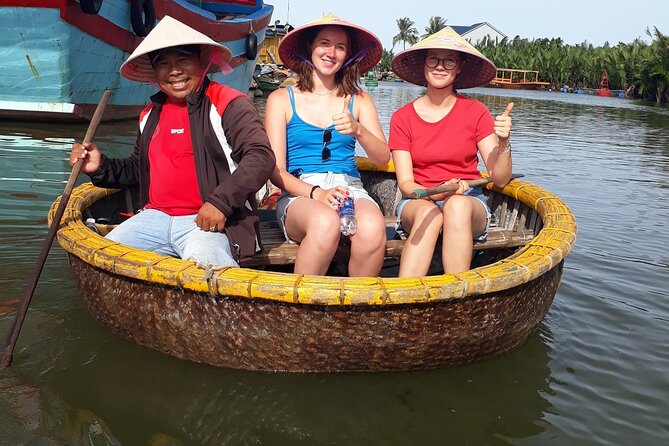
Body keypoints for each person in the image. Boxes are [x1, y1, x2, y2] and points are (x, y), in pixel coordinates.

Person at [69, 16, 275, 267]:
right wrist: (100, 167)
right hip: (153, 218)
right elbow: (138, 169)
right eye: (164, 64)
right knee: (100, 259)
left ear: (201, 61)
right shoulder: (149, 114)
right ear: (155, 73)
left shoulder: (228, 103)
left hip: (210, 220)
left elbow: (260, 157)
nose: (175, 71)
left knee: (205, 266)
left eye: (183, 60)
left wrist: (219, 202)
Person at [264, 13, 390, 276]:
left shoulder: (360, 100)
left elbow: (382, 158)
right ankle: (302, 312)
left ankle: (356, 310)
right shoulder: (280, 100)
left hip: (349, 189)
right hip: (301, 193)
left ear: (348, 56)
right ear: (310, 48)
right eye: (324, 43)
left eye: (340, 47)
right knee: (325, 222)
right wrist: (317, 193)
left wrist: (358, 130)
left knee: (373, 227)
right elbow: (276, 172)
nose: (331, 52)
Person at [389, 27, 514, 276]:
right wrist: (437, 194)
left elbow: (499, 179)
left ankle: (455, 293)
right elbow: (406, 183)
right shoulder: (401, 118)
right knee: (430, 214)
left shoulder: (476, 112)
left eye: (449, 61)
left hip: (468, 202)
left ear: (459, 68)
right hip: (418, 200)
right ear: (424, 65)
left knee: (456, 206)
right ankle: (405, 296)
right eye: (433, 59)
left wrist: (504, 142)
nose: (440, 66)